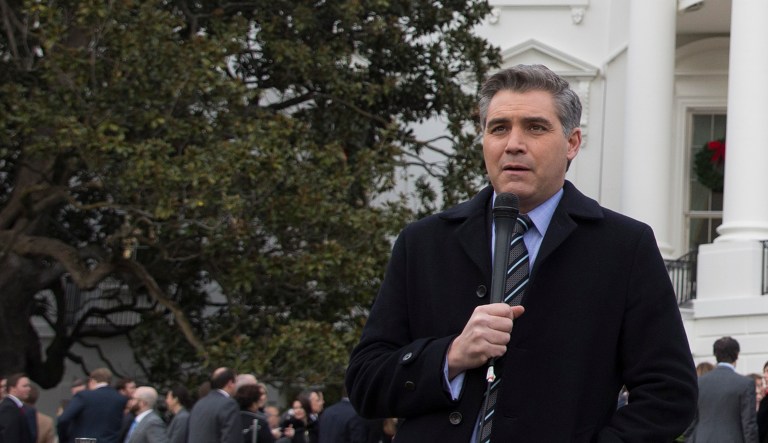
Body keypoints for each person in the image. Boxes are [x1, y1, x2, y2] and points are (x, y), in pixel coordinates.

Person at [345, 64, 699, 442]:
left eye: (535, 127)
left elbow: (670, 395)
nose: (513, 143)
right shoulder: (424, 242)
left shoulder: (623, 247)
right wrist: (451, 355)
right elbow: (366, 382)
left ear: (572, 143)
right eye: (499, 128)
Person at [684, 336, 758, 442]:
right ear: (737, 354)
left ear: (715, 355)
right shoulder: (745, 384)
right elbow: (749, 425)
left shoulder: (699, 383)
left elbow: (691, 421)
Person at [56, 367, 128, 443]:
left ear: (92, 381)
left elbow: (63, 419)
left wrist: (64, 439)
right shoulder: (120, 399)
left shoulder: (84, 396)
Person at [187, 367, 242, 443]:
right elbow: (231, 437)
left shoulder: (199, 404)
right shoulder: (229, 404)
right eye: (235, 382)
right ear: (230, 383)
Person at [0, 373, 33, 443]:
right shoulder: (9, 408)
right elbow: (10, 437)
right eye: (25, 386)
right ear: (13, 388)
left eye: (29, 386)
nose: (29, 389)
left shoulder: (14, 406)